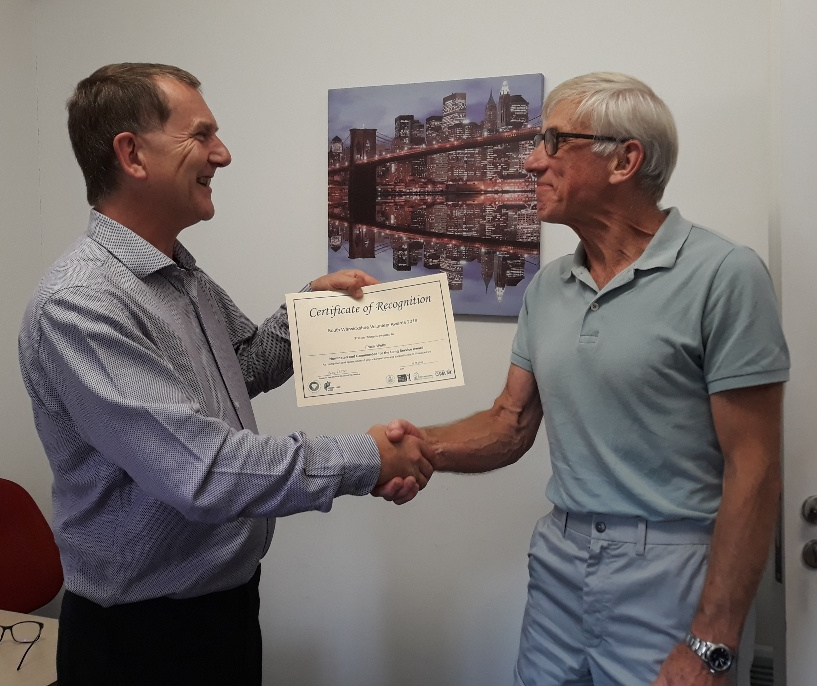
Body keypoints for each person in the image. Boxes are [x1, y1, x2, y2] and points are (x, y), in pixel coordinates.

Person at [18, 62, 430, 686]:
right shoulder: (81, 303)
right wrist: (366, 458)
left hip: (225, 610)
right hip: (141, 640)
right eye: (202, 134)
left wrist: (309, 312)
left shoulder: (180, 276)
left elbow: (237, 370)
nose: (224, 154)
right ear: (130, 154)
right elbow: (202, 470)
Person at [385, 72, 789, 685]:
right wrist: (418, 449)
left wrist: (712, 640)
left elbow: (755, 469)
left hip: (674, 574)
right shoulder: (549, 286)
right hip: (561, 564)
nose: (530, 161)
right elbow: (510, 422)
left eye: (552, 140)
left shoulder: (725, 275)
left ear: (626, 159)